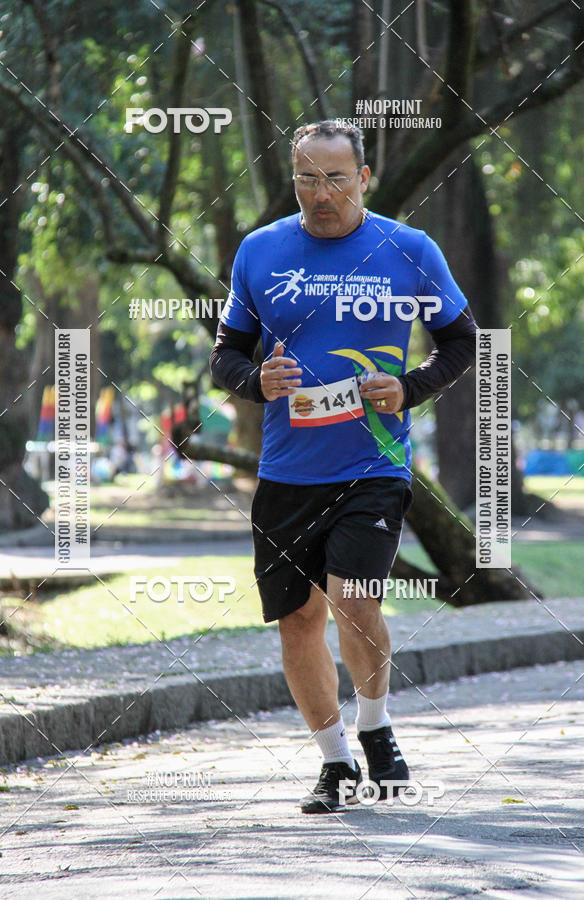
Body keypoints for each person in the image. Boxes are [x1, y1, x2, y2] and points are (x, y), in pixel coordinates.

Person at [209, 120, 476, 814]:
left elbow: (462, 341)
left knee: (355, 600)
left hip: (373, 463)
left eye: (334, 178)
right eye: (306, 178)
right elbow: (225, 356)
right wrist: (256, 381)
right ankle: (335, 763)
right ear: (293, 180)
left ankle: (376, 726)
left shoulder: (408, 249)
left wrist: (411, 387)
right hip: (287, 471)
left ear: (363, 178)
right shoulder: (260, 251)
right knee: (298, 621)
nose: (320, 193)